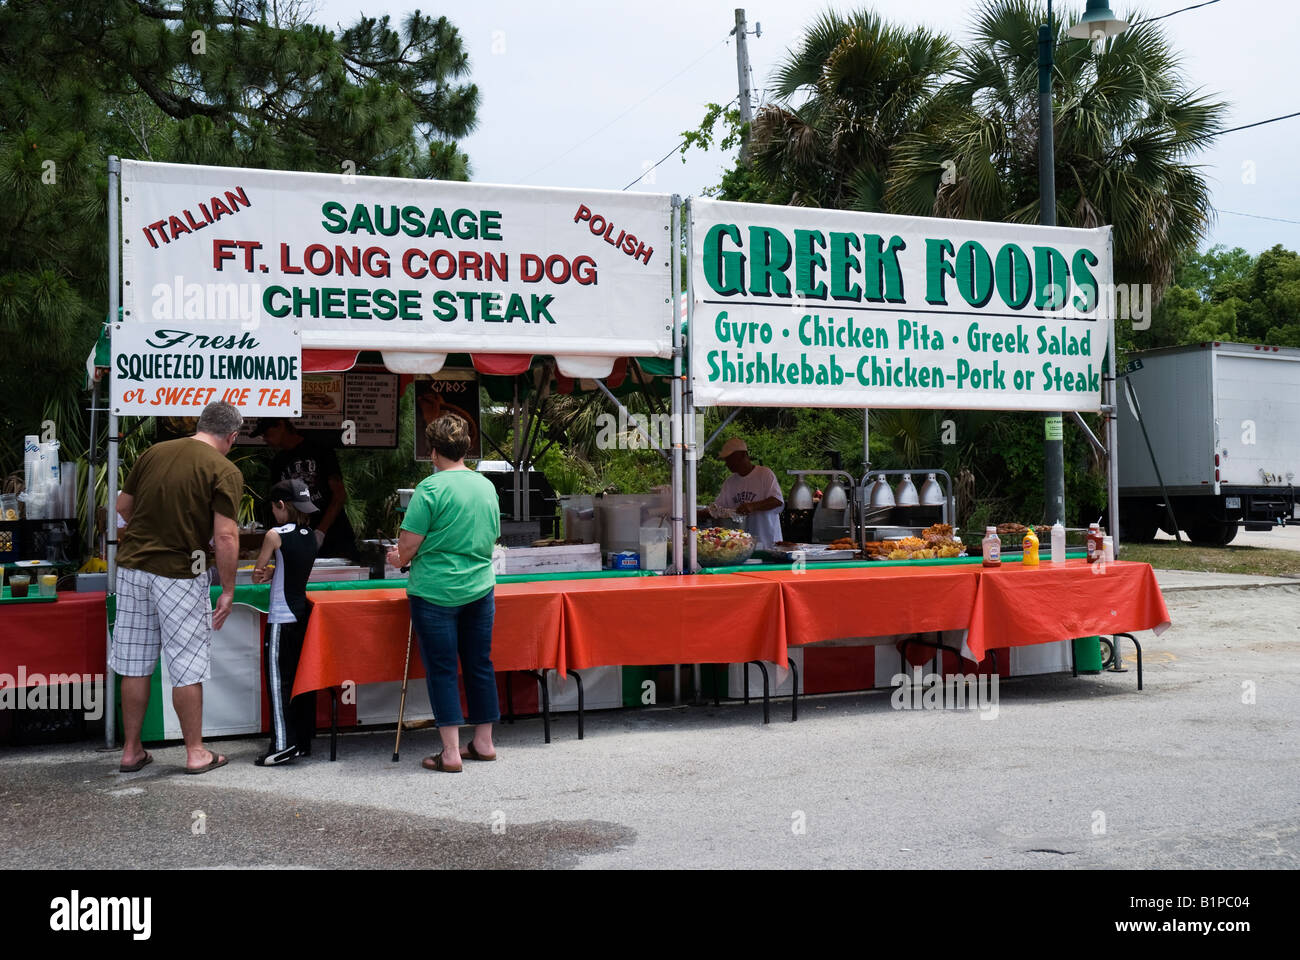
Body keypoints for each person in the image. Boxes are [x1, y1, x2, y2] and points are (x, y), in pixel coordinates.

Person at [113, 401, 243, 775]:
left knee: (135, 663)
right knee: (186, 663)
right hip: (180, 572)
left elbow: (123, 506)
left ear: (200, 425)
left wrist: (152, 531)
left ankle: (131, 750)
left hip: (134, 567)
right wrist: (229, 590)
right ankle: (195, 752)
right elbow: (226, 536)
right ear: (231, 436)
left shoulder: (155, 452)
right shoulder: (224, 469)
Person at [386, 413, 500, 773]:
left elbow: (407, 547)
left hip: (434, 590)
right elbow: (493, 535)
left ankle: (450, 753)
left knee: (443, 669)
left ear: (433, 452)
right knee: (480, 663)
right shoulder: (486, 487)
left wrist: (397, 556)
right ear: (465, 448)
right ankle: (484, 741)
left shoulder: (429, 490)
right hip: (480, 586)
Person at [250, 479, 320, 766]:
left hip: (281, 615)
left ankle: (282, 744)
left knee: (279, 682)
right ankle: (302, 742)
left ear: (280, 506)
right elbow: (292, 568)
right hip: (303, 613)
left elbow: (257, 571)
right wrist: (276, 571)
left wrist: (264, 572)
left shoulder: (274, 535)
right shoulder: (312, 535)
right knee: (302, 681)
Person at [254, 418, 355, 559]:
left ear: (281, 426)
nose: (265, 438)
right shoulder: (278, 462)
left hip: (335, 534)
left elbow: (339, 494)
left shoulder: (320, 450)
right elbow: (281, 506)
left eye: (266, 433)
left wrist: (320, 532)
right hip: (301, 537)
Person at [710, 436, 784, 550]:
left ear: (744, 455)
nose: (727, 463)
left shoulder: (764, 474)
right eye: (726, 460)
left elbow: (777, 500)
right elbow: (718, 509)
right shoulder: (729, 482)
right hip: (740, 547)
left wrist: (753, 506)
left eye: (730, 459)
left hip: (766, 544)